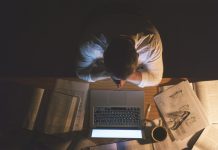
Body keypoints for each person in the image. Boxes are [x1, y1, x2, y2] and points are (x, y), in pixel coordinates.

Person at [76, 14, 163, 88]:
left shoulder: (151, 43)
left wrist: (121, 76)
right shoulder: (89, 45)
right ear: (104, 53)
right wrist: (115, 74)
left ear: (137, 55)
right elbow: (80, 73)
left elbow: (156, 79)